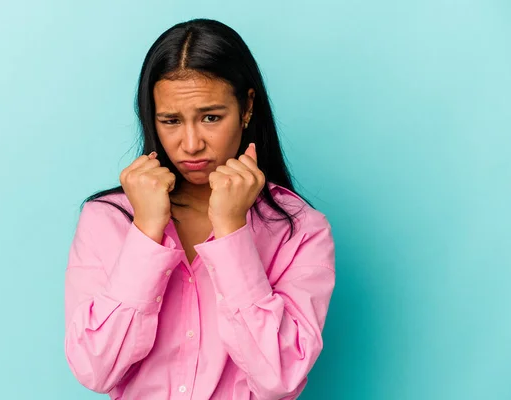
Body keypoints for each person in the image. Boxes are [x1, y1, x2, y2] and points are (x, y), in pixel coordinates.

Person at [64, 18, 336, 400]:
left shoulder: (300, 229)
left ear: (247, 108)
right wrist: (145, 231)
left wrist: (231, 231)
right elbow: (95, 368)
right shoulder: (107, 219)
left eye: (211, 117)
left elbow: (280, 377)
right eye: (171, 121)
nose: (191, 144)